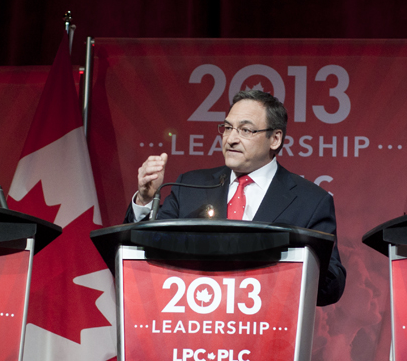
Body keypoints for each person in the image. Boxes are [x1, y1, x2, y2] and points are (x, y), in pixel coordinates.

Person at [126, 89, 346, 306]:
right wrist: (145, 200)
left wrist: (287, 266)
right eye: (228, 128)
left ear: (275, 139)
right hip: (191, 325)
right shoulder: (189, 187)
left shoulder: (311, 201)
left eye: (245, 130)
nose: (231, 139)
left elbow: (331, 285)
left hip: (268, 331)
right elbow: (145, 253)